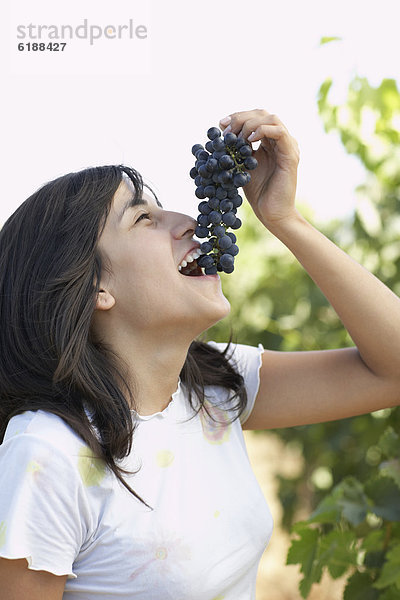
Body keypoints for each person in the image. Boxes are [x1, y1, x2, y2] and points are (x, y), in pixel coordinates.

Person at [0, 109, 399, 600]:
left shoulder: (211, 384)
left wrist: (284, 219)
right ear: (95, 286)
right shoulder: (49, 451)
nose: (191, 221)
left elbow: (393, 369)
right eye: (144, 218)